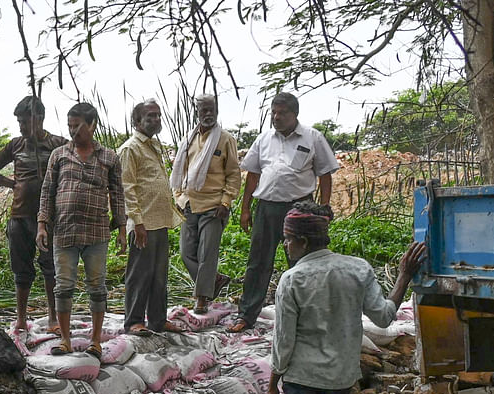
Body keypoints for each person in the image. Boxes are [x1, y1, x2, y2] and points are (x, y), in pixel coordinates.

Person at [266, 203, 426, 394]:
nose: (285, 246)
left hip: (302, 375)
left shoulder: (292, 279)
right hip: (340, 374)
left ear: (302, 241)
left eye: (288, 240)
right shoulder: (358, 269)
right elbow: (383, 317)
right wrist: (404, 277)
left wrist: (274, 381)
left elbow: (283, 341)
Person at [231, 92, 338, 333]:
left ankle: (307, 316)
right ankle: (246, 316)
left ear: (294, 114)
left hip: (299, 208)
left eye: (282, 113)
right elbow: (253, 175)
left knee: (302, 263)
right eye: (273, 112)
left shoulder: (313, 137)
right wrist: (245, 208)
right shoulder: (264, 138)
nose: (276, 117)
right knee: (258, 262)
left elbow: (325, 174)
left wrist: (323, 208)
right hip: (267, 208)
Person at [36, 102, 127, 357]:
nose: (73, 132)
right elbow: (47, 191)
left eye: (78, 127)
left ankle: (95, 340)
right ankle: (65, 339)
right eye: (70, 126)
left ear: (93, 125)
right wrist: (42, 224)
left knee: (97, 286)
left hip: (96, 232)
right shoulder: (59, 155)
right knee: (63, 286)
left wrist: (121, 227)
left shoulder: (108, 157)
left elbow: (117, 194)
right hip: (64, 232)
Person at [0, 95, 69, 334]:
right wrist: (14, 184)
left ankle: (53, 317)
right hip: (20, 216)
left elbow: (75, 167)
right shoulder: (15, 145)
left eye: (24, 121)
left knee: (50, 267)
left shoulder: (58, 144)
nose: (21, 126)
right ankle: (21, 318)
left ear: (39, 118)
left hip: (50, 218)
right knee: (21, 269)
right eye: (18, 122)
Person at [117, 99, 183, 335]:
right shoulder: (130, 149)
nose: (155, 120)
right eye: (150, 116)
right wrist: (138, 222)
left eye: (158, 115)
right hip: (143, 222)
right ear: (137, 121)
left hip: (159, 220)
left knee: (158, 275)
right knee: (139, 274)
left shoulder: (153, 145)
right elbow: (128, 188)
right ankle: (134, 320)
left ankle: (157, 319)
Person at [171, 93, 241, 315]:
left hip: (214, 205)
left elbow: (233, 174)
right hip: (189, 204)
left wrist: (226, 201)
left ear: (217, 110)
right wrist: (178, 196)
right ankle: (214, 280)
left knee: (206, 255)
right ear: (197, 112)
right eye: (204, 110)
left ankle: (202, 298)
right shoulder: (188, 139)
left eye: (212, 109)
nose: (208, 114)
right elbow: (179, 172)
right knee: (186, 253)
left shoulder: (225, 139)